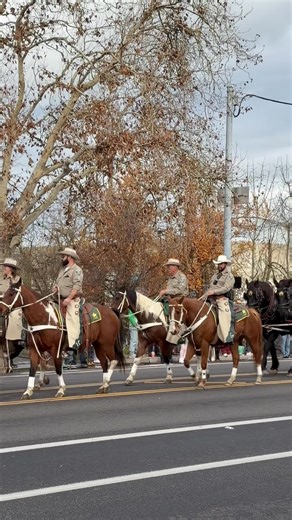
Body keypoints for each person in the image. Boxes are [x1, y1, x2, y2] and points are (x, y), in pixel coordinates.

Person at [53, 247, 83, 351]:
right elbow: (58, 283)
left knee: (72, 319)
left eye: (64, 256)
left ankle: (74, 345)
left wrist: (69, 299)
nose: (62, 258)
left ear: (69, 257)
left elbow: (76, 286)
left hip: (72, 300)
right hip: (59, 299)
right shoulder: (62, 270)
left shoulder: (77, 270)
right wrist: (56, 288)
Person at [202, 254, 235, 344]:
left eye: (221, 264)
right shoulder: (215, 275)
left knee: (225, 314)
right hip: (210, 299)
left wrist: (214, 292)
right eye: (218, 264)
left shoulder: (229, 276)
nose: (219, 266)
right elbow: (211, 287)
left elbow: (226, 288)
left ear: (225, 264)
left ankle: (227, 337)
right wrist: (205, 295)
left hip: (222, 299)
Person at [0, 258, 24, 368]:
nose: (4, 268)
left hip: (13, 306)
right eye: (4, 266)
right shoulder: (1, 278)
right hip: (2, 304)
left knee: (15, 319)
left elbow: (19, 293)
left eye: (6, 267)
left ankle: (12, 347)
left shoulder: (17, 279)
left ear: (11, 269)